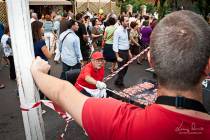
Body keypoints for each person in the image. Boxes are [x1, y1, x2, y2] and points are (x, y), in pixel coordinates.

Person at [31, 10, 210, 140]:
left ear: (150, 59)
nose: (101, 63)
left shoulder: (120, 120)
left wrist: (36, 72)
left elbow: (62, 91)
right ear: (208, 67)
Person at [113, 16, 132, 87]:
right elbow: (115, 44)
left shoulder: (126, 30)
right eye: (126, 21)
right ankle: (120, 83)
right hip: (121, 52)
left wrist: (129, 52)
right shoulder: (117, 31)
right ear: (122, 22)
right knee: (121, 68)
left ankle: (118, 80)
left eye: (128, 21)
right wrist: (117, 56)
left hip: (126, 52)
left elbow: (126, 42)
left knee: (125, 68)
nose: (128, 22)